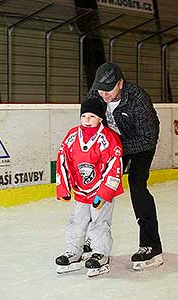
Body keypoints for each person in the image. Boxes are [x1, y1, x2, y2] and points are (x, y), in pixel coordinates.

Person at [87, 61, 163, 271]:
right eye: (100, 90)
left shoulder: (138, 99)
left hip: (140, 145)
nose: (104, 95)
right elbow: (88, 120)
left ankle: (151, 246)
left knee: (137, 185)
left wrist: (116, 147)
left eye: (108, 90)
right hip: (112, 145)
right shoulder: (97, 94)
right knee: (97, 182)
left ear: (120, 83)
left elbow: (148, 138)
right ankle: (93, 239)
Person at [55, 97, 123, 277]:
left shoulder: (109, 139)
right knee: (77, 221)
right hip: (80, 191)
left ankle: (100, 253)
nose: (87, 119)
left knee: (100, 222)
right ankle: (73, 251)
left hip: (100, 191)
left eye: (92, 116)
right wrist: (63, 188)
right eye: (84, 115)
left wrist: (104, 193)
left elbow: (114, 167)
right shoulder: (71, 135)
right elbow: (63, 160)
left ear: (101, 118)